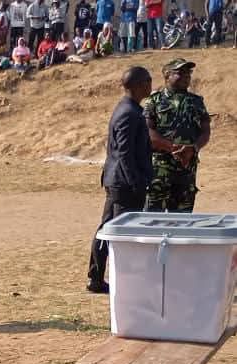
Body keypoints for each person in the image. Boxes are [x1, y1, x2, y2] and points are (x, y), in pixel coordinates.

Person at [88, 66, 153, 292]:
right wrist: (135, 182)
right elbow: (124, 153)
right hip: (124, 182)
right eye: (147, 81)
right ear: (137, 85)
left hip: (120, 179)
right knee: (118, 232)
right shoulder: (128, 112)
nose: (150, 84)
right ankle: (115, 279)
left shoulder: (131, 109)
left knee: (108, 227)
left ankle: (96, 277)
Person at [144, 59, 211, 212]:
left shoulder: (196, 102)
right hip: (160, 169)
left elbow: (205, 130)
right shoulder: (154, 101)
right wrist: (174, 148)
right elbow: (148, 131)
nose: (186, 76)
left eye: (188, 73)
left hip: (186, 169)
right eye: (180, 72)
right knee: (153, 218)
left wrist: (193, 148)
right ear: (167, 76)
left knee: (182, 218)